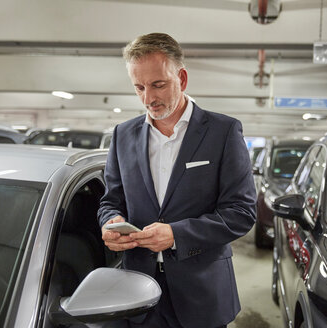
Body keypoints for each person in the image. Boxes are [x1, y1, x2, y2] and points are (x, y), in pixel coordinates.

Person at [98, 32, 256, 328]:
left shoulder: (223, 132)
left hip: (202, 294)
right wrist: (110, 222)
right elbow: (110, 201)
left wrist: (177, 234)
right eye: (139, 87)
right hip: (138, 293)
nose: (149, 98)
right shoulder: (122, 136)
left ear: (181, 79)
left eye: (158, 85)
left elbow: (241, 213)